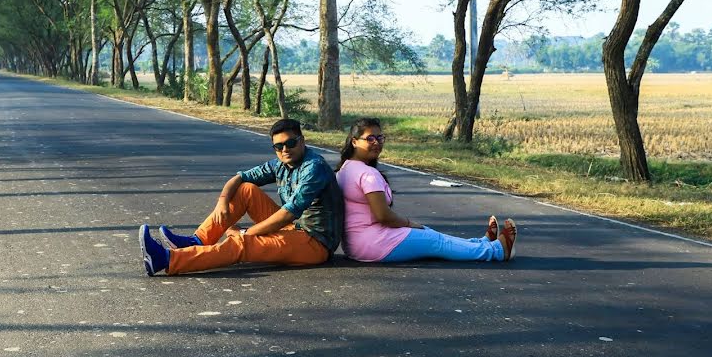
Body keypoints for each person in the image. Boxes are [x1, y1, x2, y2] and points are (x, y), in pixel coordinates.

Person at [139, 118, 344, 276]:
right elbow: (240, 178)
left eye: (290, 143)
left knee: (242, 244)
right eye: (278, 146)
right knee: (246, 189)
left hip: (314, 242)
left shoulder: (313, 168)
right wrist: (222, 201)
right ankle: (198, 240)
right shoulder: (280, 163)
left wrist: (247, 232)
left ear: (302, 141)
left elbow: (286, 215)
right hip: (294, 229)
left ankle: (167, 259)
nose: (285, 150)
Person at [335, 117, 517, 263]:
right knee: (434, 241)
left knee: (431, 236)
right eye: (370, 139)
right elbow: (383, 216)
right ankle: (497, 251)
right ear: (354, 142)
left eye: (380, 137)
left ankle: (481, 243)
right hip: (374, 244)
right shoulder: (367, 174)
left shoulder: (346, 168)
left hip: (356, 244)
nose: (377, 143)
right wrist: (409, 223)